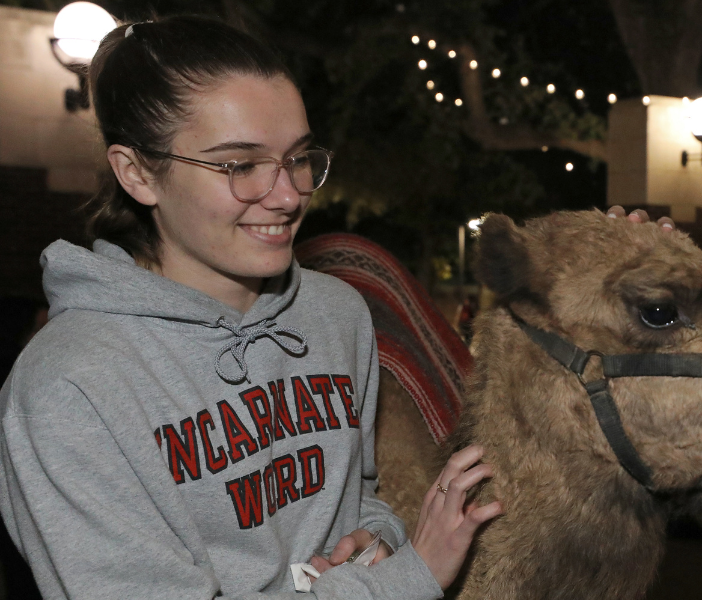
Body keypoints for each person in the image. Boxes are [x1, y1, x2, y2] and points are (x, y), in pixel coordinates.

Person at [0, 16, 499, 599]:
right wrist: (410, 578)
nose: (288, 195)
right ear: (136, 173)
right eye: (240, 165)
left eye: (298, 157)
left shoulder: (336, 314)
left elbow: (355, 493)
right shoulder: (67, 387)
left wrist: (377, 538)